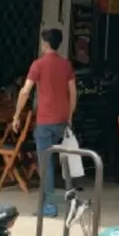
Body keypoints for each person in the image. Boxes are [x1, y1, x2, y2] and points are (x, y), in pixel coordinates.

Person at [12, 28, 77, 217]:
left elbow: (25, 91)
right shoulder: (66, 65)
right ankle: (71, 199)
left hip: (45, 120)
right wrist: (70, 116)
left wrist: (17, 115)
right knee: (64, 158)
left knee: (46, 162)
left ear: (45, 44)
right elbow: (73, 92)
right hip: (62, 120)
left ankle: (49, 205)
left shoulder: (38, 64)